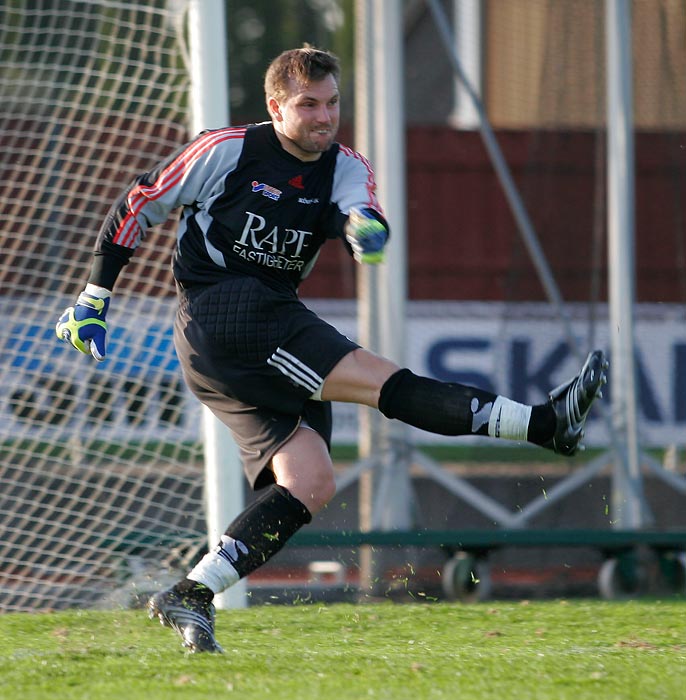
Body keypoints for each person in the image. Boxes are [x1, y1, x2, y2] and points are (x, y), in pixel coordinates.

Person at [56, 46, 608, 653]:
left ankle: (192, 593)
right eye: (308, 105)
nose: (325, 117)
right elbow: (139, 204)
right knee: (381, 382)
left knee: (311, 481)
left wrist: (364, 231)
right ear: (276, 106)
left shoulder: (343, 164)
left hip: (249, 330)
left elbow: (360, 212)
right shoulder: (226, 149)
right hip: (226, 314)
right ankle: (544, 425)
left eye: (333, 103)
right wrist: (93, 298)